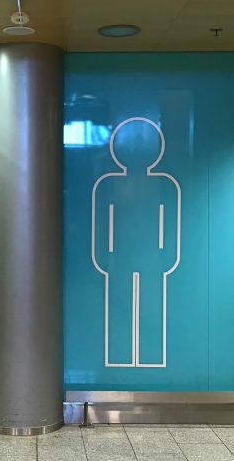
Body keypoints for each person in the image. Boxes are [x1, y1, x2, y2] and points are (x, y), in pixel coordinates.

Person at [92, 117, 181, 367]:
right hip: (125, 254)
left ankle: (147, 356)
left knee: (149, 308)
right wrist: (105, 256)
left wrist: (167, 257)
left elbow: (167, 220)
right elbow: (105, 219)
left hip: (148, 255)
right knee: (123, 309)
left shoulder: (163, 182)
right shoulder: (109, 182)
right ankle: (124, 359)